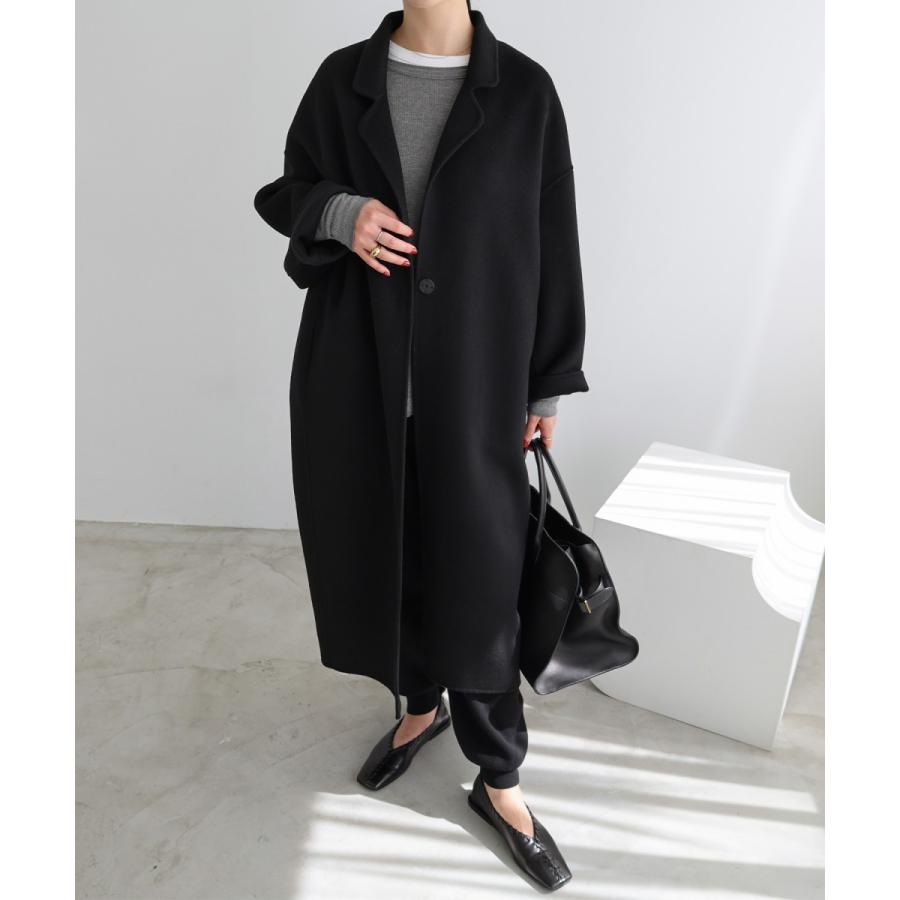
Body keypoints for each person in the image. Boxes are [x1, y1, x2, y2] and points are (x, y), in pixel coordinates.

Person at [254, 1, 587, 889]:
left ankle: (501, 780)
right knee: (384, 553)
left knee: (482, 582)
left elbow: (553, 238)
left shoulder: (525, 92)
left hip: (477, 384)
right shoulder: (343, 78)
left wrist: (549, 381)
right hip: (353, 377)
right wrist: (341, 213)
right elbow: (287, 193)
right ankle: (417, 705)